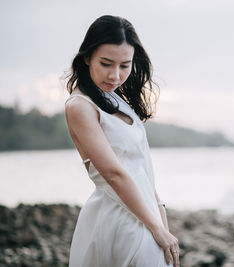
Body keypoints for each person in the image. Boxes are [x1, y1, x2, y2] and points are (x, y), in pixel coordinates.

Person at [64, 15, 180, 267]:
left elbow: (142, 169)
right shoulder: (80, 106)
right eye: (106, 63)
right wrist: (156, 228)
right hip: (118, 217)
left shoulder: (116, 101)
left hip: (145, 215)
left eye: (124, 65)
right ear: (87, 58)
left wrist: (161, 219)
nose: (115, 76)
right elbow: (114, 173)